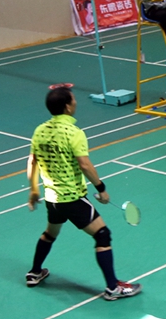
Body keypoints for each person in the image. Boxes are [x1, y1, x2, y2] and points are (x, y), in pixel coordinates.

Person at [25, 87, 142, 301]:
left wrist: (34, 189)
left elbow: (32, 161)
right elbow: (85, 164)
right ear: (67, 107)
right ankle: (113, 288)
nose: (76, 102)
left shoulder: (39, 130)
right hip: (72, 199)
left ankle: (34, 272)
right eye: (73, 99)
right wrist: (101, 188)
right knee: (102, 235)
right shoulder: (74, 133)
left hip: (52, 198)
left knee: (50, 234)